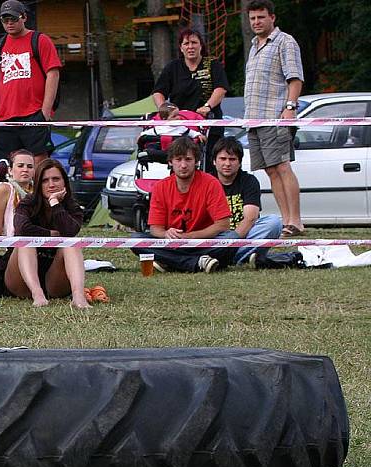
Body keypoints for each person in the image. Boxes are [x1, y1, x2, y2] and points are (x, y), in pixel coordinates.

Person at [130, 137, 238, 273]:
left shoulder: (211, 183)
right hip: (171, 243)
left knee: (232, 238)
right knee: (135, 239)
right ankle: (196, 262)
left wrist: (190, 237)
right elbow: (155, 229)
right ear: (170, 162)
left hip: (202, 242)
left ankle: (170, 261)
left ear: (196, 162)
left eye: (188, 159)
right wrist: (166, 234)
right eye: (178, 159)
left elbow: (223, 225)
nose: (183, 165)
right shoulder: (160, 187)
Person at [244, 0, 304, 237]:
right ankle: (286, 221)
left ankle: (296, 221)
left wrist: (290, 107)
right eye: (252, 18)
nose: (256, 22)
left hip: (275, 116)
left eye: (261, 17)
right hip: (254, 118)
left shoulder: (284, 41)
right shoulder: (253, 45)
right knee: (270, 170)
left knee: (282, 166)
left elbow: (295, 78)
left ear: (272, 18)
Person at [0, 159, 90, 308]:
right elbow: (22, 229)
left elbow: (70, 231)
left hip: (54, 278)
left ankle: (78, 297)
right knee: (26, 242)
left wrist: (55, 203)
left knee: (71, 243)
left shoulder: (71, 206)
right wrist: (50, 234)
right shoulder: (27, 203)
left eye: (56, 179)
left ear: (64, 182)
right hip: (19, 276)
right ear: (38, 184)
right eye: (45, 180)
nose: (51, 184)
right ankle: (38, 295)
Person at [0, 0, 61, 165]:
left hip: (34, 113)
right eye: (5, 20)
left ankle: (38, 191)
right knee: (6, 166)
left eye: (13, 19)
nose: (9, 23)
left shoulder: (40, 40)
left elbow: (53, 74)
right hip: (5, 118)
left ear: (24, 17)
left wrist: (45, 112)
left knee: (39, 162)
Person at [152, 28, 228, 173]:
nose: (190, 47)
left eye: (194, 42)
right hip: (179, 128)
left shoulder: (212, 64)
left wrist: (207, 106)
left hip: (209, 126)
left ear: (201, 46)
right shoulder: (173, 67)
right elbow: (158, 92)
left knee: (210, 166)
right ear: (181, 47)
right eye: (186, 43)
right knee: (182, 165)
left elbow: (221, 88)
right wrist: (164, 110)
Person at [212, 136, 283, 266]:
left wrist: (231, 242)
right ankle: (242, 256)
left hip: (243, 236)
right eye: (223, 159)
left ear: (239, 163)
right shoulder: (206, 182)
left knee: (274, 222)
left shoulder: (249, 181)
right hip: (215, 236)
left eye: (232, 159)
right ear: (214, 161)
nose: (227, 164)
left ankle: (226, 257)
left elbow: (250, 219)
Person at [0, 149, 34, 269]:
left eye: (30, 166)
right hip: (15, 248)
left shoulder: (39, 191)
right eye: (20, 166)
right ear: (10, 170)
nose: (25, 170)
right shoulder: (4, 190)